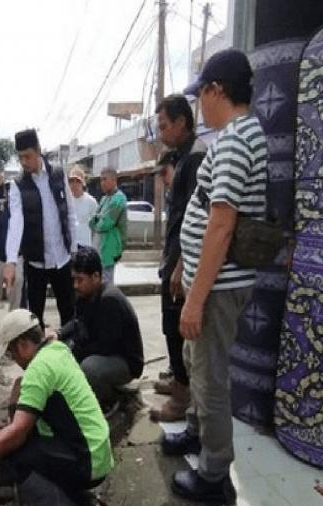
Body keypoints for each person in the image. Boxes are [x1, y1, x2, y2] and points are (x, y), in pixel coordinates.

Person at [164, 49, 268, 504]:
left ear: (215, 91)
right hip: (213, 281)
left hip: (218, 289)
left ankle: (213, 476)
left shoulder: (232, 141)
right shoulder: (240, 135)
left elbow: (222, 223)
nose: (199, 107)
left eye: (201, 95)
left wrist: (194, 299)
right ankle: (195, 433)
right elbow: (209, 214)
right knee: (195, 361)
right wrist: (186, 266)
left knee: (209, 379)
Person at [0, 309, 114, 504]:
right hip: (99, 452)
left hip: (88, 462)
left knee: (16, 455)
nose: (15, 360)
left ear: (22, 344)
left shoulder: (39, 369)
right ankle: (71, 494)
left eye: (12, 353)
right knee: (20, 435)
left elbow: (16, 435)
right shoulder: (57, 349)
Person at [149, 95, 207, 423]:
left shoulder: (196, 158)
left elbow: (198, 216)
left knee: (176, 327)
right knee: (170, 327)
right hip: (174, 253)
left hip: (183, 259)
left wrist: (182, 263)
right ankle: (178, 383)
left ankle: (181, 400)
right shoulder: (182, 157)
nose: (160, 132)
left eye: (163, 125)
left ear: (182, 122)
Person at [3, 129, 78, 328]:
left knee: (70, 314)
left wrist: (74, 251)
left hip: (62, 259)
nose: (24, 162)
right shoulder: (18, 185)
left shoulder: (58, 174)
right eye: (20, 158)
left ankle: (69, 354)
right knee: (34, 319)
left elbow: (70, 213)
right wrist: (11, 261)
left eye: (27, 156)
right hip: (36, 263)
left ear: (38, 150)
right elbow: (15, 223)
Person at [57, 247, 144, 408]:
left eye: (80, 280)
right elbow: (76, 322)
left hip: (124, 360)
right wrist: (58, 334)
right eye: (73, 280)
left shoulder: (109, 301)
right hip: (104, 351)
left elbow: (106, 347)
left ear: (96, 277)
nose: (75, 285)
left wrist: (73, 353)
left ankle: (111, 400)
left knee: (89, 368)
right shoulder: (85, 294)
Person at [0, 163, 24, 336]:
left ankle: (12, 330)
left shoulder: (24, 208)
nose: (12, 194)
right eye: (10, 191)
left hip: (17, 258)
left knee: (16, 292)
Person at [89, 168, 127, 286]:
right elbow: (91, 222)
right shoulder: (104, 199)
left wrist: (98, 219)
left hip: (109, 249)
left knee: (106, 284)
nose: (102, 183)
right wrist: (98, 219)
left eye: (105, 179)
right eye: (101, 180)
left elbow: (104, 224)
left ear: (114, 180)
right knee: (97, 283)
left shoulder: (118, 199)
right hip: (98, 248)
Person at [68, 166, 98, 247]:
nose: (74, 184)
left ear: (83, 183)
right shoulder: (66, 201)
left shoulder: (91, 201)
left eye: (78, 181)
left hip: (86, 246)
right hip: (69, 247)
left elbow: (96, 227)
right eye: (71, 181)